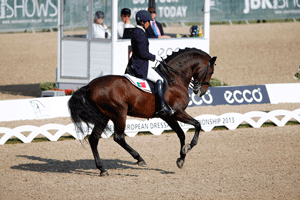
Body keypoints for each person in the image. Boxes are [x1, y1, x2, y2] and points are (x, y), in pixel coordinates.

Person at [131, 10, 174, 117]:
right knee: (160, 80)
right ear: (142, 22)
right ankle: (161, 107)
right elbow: (143, 53)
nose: (149, 24)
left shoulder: (138, 32)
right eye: (148, 22)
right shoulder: (139, 33)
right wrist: (155, 57)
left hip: (140, 62)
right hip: (140, 65)